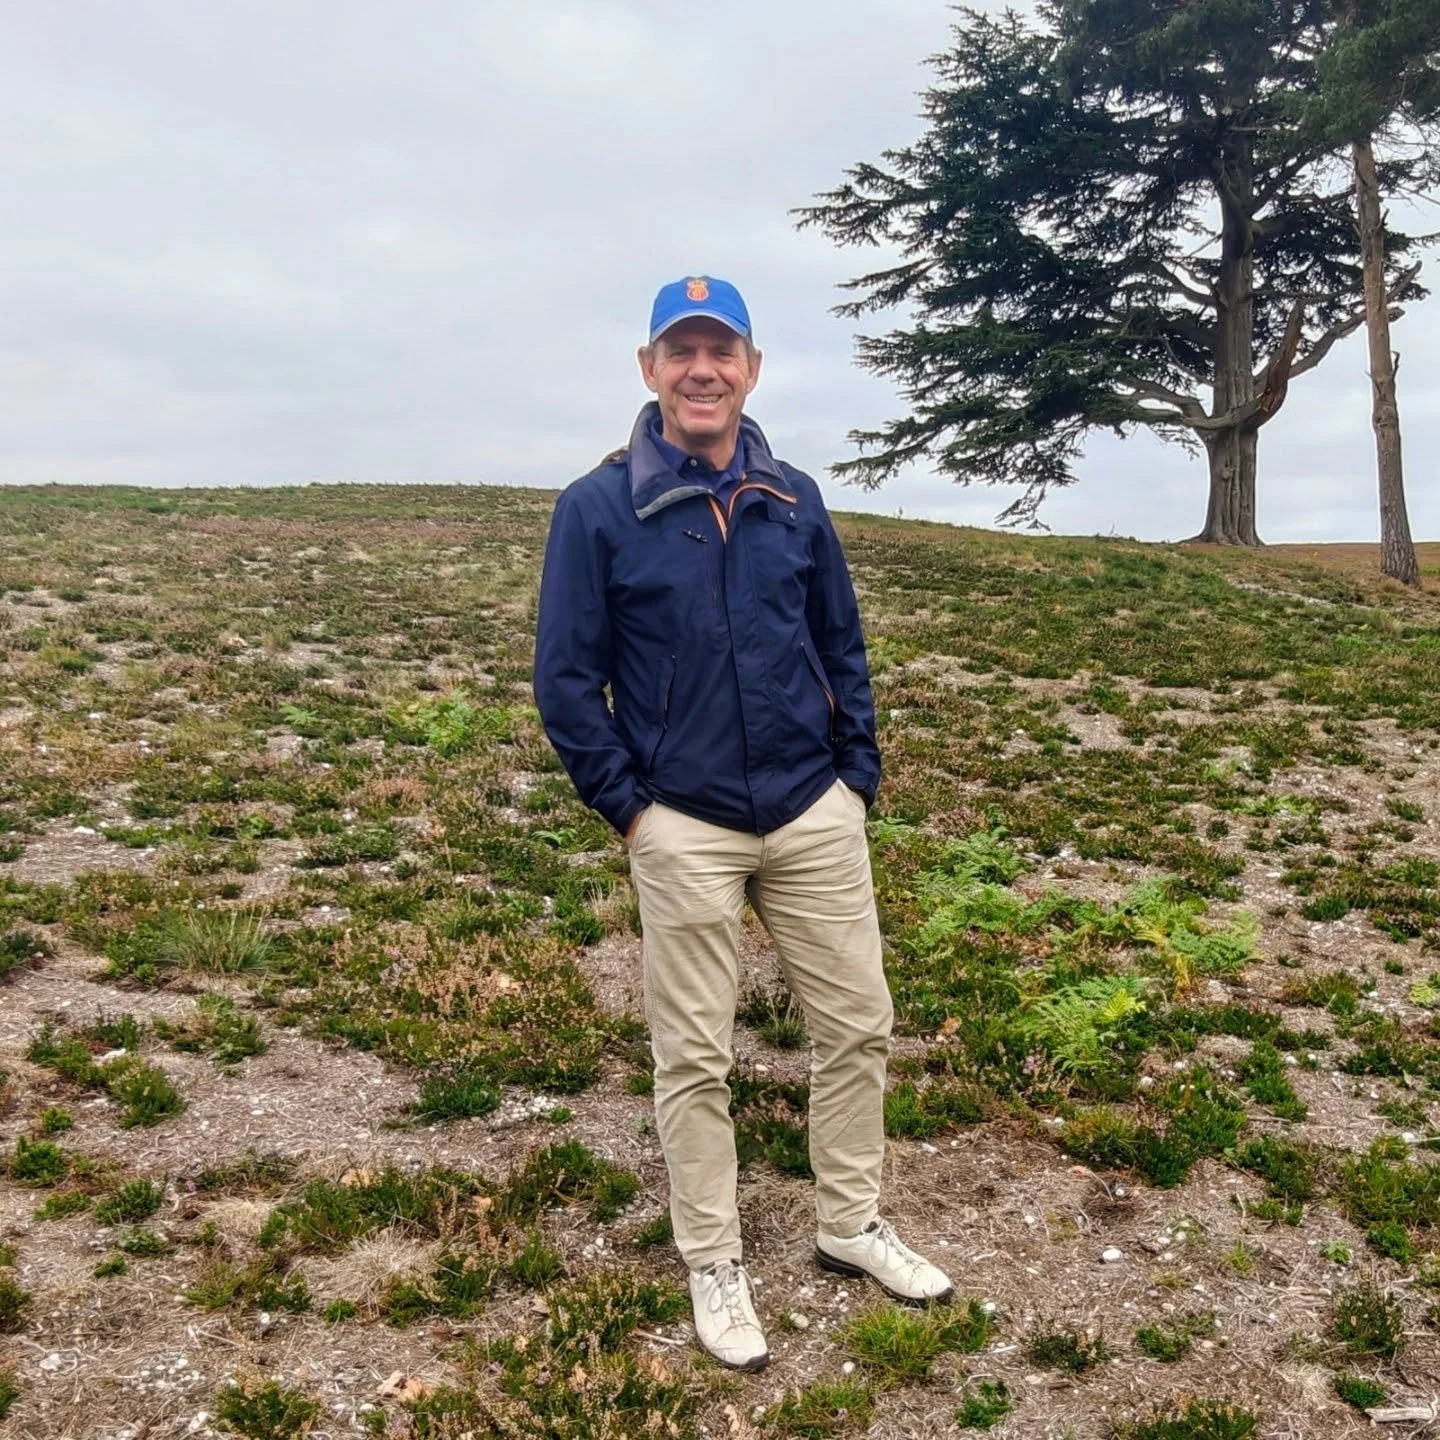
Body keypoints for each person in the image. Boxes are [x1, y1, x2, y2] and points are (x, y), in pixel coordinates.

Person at [533, 275, 953, 1372]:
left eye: (723, 352)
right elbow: (567, 682)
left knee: (859, 1023)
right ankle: (713, 1259)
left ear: (753, 370)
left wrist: (855, 774)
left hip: (813, 810)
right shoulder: (596, 507)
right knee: (694, 1054)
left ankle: (850, 1224)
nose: (703, 370)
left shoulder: (793, 497)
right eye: (683, 352)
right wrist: (632, 811)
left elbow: (841, 642)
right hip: (685, 824)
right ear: (649, 370)